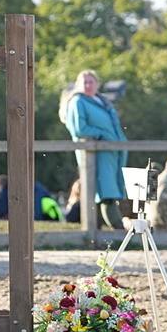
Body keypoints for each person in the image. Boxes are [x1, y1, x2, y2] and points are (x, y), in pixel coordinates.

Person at [60, 69, 127, 229]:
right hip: (94, 153)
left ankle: (98, 232)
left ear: (97, 84)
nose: (88, 85)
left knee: (107, 190)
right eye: (84, 82)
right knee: (105, 192)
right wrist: (102, 134)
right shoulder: (78, 102)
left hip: (111, 153)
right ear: (78, 84)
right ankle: (116, 229)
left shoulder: (101, 101)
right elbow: (79, 129)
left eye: (91, 81)